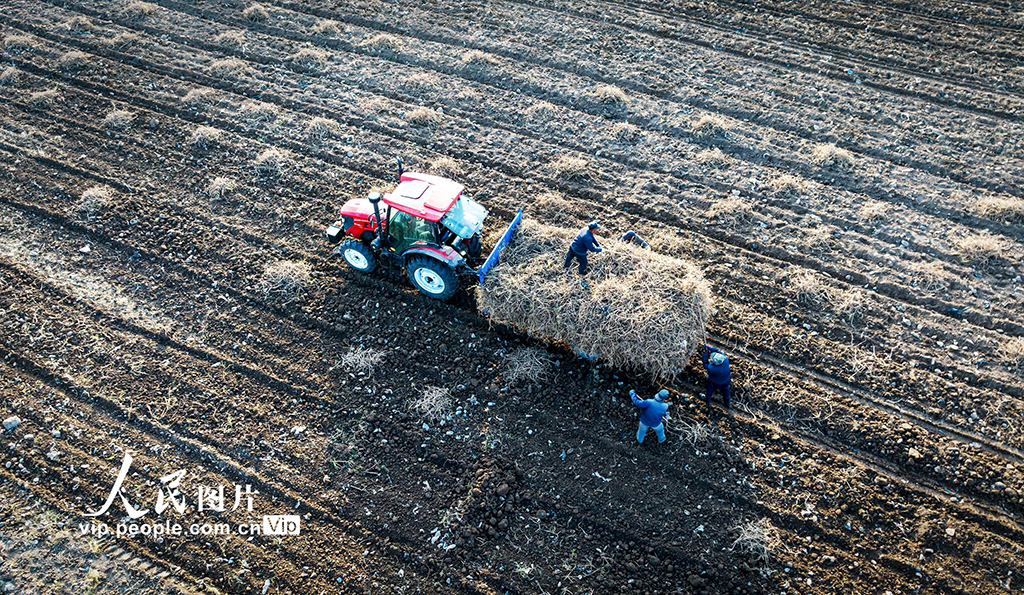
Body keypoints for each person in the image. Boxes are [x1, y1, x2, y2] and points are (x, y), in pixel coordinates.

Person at [563, 222, 602, 288]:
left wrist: (598, 245)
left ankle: (565, 267)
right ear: (593, 230)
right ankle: (581, 273)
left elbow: (592, 237)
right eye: (596, 229)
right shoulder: (587, 238)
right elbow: (592, 249)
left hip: (573, 246)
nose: (597, 230)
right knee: (584, 263)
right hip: (579, 252)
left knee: (569, 257)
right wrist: (600, 250)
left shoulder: (586, 229)